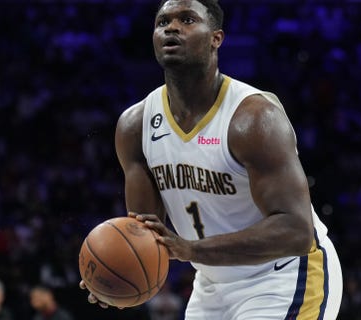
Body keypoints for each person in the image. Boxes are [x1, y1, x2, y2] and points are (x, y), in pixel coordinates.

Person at [80, 0, 343, 318]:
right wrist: (114, 274)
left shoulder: (253, 118)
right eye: (163, 22)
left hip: (285, 276)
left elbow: (296, 232)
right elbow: (145, 234)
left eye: (187, 19)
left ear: (216, 38)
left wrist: (191, 250)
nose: (172, 27)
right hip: (212, 284)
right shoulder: (135, 126)